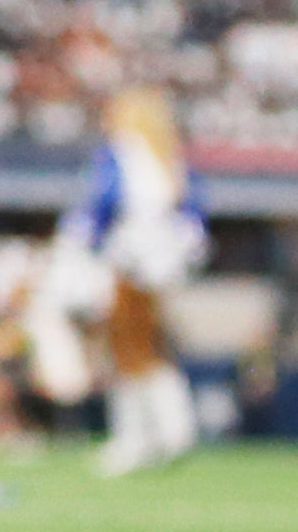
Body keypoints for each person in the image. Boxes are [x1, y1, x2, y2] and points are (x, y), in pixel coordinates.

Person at [73, 86, 206, 476]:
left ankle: (138, 438)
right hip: (163, 265)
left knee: (128, 353)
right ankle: (171, 430)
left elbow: (101, 206)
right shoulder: (169, 158)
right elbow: (193, 215)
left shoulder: (122, 153)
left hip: (128, 263)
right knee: (151, 348)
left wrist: (83, 251)